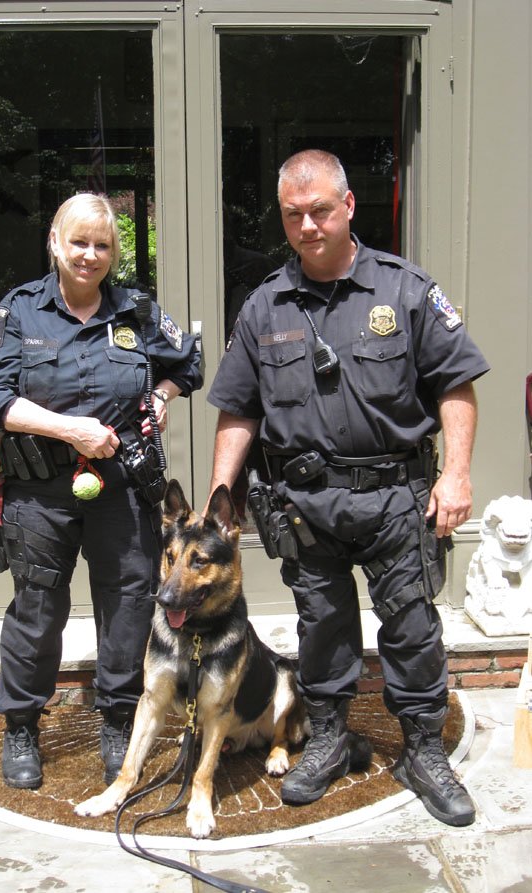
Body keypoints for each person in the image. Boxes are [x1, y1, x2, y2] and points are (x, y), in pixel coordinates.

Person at [207, 149, 489, 827]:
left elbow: (456, 383)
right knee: (323, 628)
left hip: (396, 499)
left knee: (413, 628)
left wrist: (455, 473)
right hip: (305, 506)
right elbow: (238, 407)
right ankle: (328, 737)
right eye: (293, 214)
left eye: (320, 211)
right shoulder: (264, 305)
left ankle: (423, 748)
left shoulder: (405, 290)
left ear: (349, 206)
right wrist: (222, 496)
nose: (307, 226)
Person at [0, 192, 203, 790]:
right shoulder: (20, 311)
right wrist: (66, 427)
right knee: (38, 609)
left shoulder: (138, 311)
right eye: (79, 242)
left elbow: (189, 365)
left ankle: (117, 719)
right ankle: (22, 722)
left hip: (122, 487)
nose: (90, 255)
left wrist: (160, 396)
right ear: (55, 242)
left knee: (127, 605)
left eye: (102, 245)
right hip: (40, 490)